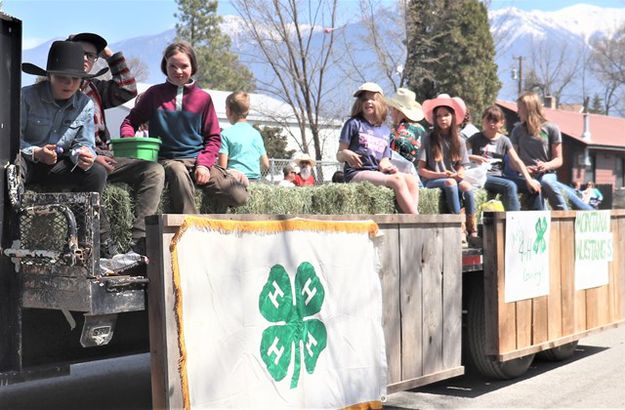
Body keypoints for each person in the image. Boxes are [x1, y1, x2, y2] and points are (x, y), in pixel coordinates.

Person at [120, 42, 249, 214]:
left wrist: (203, 165)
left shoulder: (203, 98)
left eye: (184, 66)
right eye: (172, 66)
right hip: (167, 160)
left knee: (239, 197)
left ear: (193, 67)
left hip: (197, 160)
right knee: (177, 172)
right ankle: (191, 229)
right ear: (165, 66)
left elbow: (213, 137)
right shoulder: (153, 94)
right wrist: (129, 141)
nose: (178, 71)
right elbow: (130, 121)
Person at [68, 32, 164, 255]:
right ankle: (104, 244)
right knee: (95, 173)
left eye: (91, 55)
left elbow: (128, 89)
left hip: (105, 155)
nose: (85, 59)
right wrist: (92, 156)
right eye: (79, 53)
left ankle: (140, 241)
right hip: (79, 159)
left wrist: (108, 54)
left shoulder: (96, 88)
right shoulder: (56, 85)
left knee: (154, 171)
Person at [15, 41, 115, 256]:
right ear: (49, 76)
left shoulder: (85, 104)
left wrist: (83, 155)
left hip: (56, 167)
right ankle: (11, 232)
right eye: (62, 78)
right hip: (26, 162)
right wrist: (36, 152)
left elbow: (84, 142)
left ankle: (84, 242)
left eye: (75, 79)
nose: (69, 84)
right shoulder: (26, 97)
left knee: (95, 171)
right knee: (11, 168)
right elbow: (12, 140)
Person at [336, 82, 420, 214]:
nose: (368, 102)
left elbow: (384, 161)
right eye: (364, 99)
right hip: (356, 173)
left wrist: (387, 167)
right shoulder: (353, 124)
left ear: (380, 103)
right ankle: (416, 219)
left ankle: (408, 218)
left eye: (373, 99)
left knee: (411, 180)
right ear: (359, 103)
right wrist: (346, 153)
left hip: (377, 173)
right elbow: (339, 155)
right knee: (397, 180)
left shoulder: (385, 131)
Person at [511, 92, 592, 211]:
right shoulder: (517, 131)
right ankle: (579, 198)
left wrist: (545, 165)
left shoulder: (551, 128)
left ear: (529, 109)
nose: (517, 112)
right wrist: (525, 169)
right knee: (537, 187)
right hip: (525, 176)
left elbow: (559, 160)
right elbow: (514, 160)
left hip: (546, 174)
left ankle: (563, 213)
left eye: (519, 108)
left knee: (546, 182)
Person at [417, 94, 477, 241]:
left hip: (451, 177)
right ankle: (458, 227)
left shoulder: (460, 141)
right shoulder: (428, 139)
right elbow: (421, 170)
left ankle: (472, 228)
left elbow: (461, 166)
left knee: (468, 187)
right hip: (432, 180)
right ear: (435, 119)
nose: (443, 119)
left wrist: (460, 174)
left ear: (453, 117)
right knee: (450, 183)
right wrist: (443, 175)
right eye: (439, 116)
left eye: (446, 115)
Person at [466, 105, 541, 211]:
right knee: (510, 186)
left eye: (495, 121)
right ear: (483, 120)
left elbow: (516, 161)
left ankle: (538, 219)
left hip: (499, 177)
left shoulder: (504, 140)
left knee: (534, 186)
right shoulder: (476, 137)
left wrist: (529, 180)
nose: (491, 124)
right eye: (488, 120)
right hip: (482, 177)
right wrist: (473, 157)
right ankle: (515, 220)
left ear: (501, 123)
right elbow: (458, 155)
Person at [218, 91, 269, 183]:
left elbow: (222, 167)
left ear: (229, 110)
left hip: (234, 182)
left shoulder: (225, 134)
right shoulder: (256, 134)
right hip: (255, 181)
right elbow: (266, 164)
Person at [388, 88, 426, 166]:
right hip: (418, 175)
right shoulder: (422, 130)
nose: (390, 113)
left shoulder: (396, 131)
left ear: (396, 110)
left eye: (391, 109)